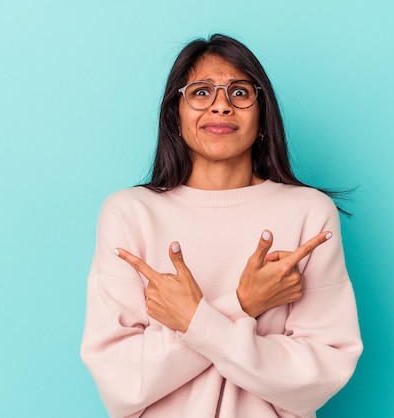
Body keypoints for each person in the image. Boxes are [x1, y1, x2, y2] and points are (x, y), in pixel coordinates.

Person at [80, 34, 362, 418]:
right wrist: (246, 304)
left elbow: (319, 376)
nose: (221, 106)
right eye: (200, 92)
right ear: (174, 114)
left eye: (240, 93)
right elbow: (122, 383)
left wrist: (193, 319)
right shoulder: (130, 214)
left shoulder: (308, 212)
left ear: (262, 115)